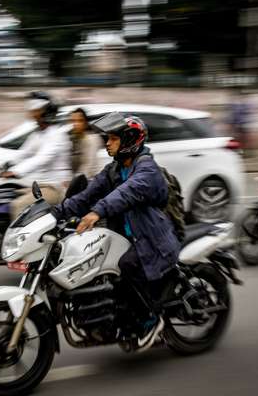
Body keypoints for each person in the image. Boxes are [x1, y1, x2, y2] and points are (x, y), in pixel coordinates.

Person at [53, 112, 181, 352]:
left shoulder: (146, 169)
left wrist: (96, 212)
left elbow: (127, 192)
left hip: (152, 239)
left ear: (130, 140)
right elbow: (86, 195)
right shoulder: (115, 169)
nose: (108, 143)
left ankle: (151, 319)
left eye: (113, 138)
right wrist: (55, 213)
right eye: (108, 138)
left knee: (128, 266)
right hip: (126, 235)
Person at [0, 91, 72, 219]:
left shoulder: (57, 135)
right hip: (39, 186)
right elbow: (23, 153)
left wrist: (15, 172)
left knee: (18, 205)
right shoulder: (38, 134)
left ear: (46, 112)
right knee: (4, 196)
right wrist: (1, 166)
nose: (32, 115)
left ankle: (17, 238)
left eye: (36, 111)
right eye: (32, 112)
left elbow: (42, 158)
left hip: (55, 188)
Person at [68, 108, 103, 180]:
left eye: (80, 121)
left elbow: (89, 165)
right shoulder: (75, 138)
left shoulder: (91, 138)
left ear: (86, 122)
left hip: (90, 180)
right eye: (73, 121)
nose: (76, 124)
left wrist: (76, 181)